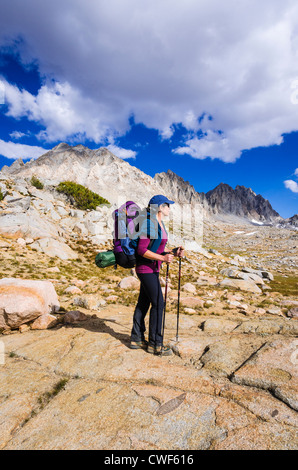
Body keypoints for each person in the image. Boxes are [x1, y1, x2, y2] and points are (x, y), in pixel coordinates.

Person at [130, 194, 184, 356]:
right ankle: (155, 344)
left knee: (144, 303)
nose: (169, 208)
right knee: (159, 303)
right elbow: (142, 250)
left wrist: (173, 252)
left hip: (153, 268)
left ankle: (136, 338)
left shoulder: (159, 224)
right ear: (160, 207)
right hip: (146, 269)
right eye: (167, 205)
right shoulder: (149, 223)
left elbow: (158, 247)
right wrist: (163, 258)